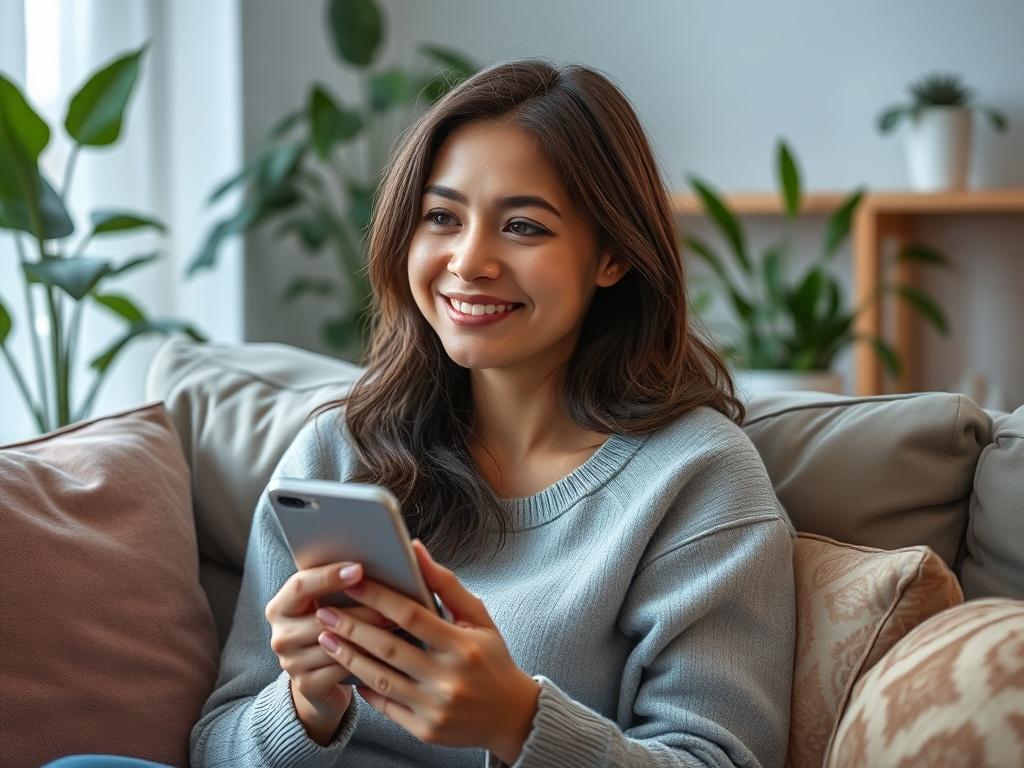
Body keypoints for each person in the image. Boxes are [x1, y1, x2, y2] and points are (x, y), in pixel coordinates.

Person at [48, 58, 796, 768]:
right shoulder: (340, 450)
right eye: (442, 217)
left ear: (612, 257)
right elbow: (218, 746)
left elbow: (719, 757)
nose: (469, 261)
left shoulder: (698, 480)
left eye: (524, 226)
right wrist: (307, 703)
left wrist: (516, 722)